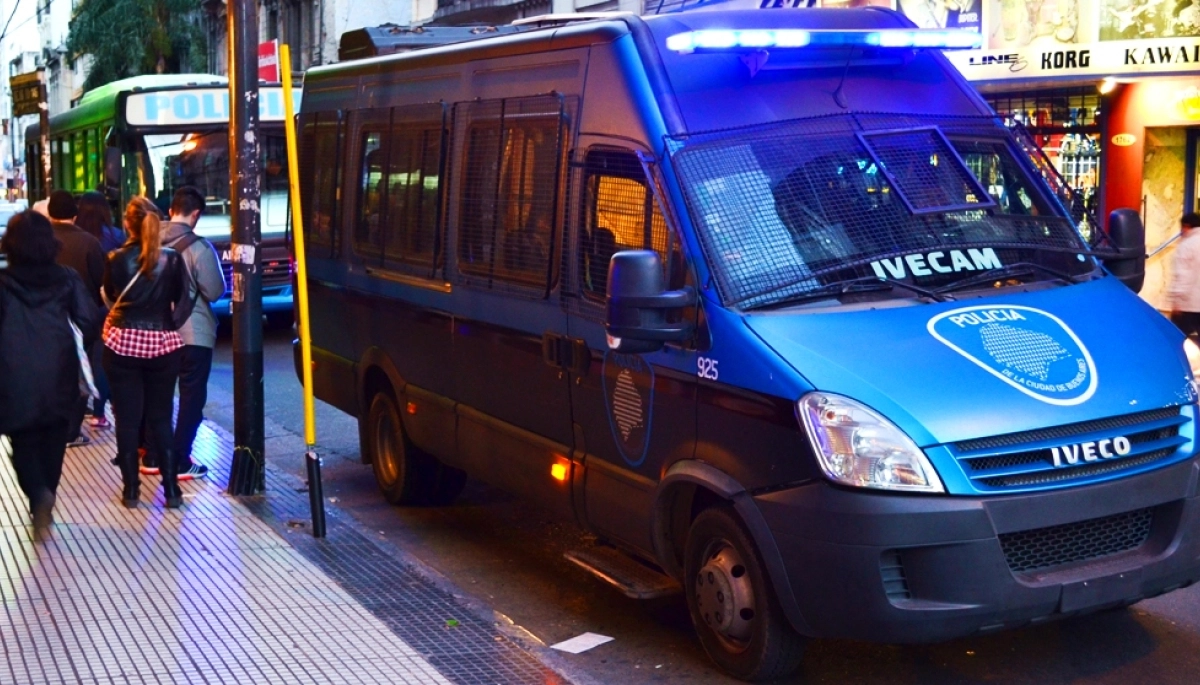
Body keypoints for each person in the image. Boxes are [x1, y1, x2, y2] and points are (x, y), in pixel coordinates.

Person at [0, 210, 102, 535]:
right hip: (60, 367)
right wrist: (73, 345)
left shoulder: (3, 282)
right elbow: (87, 320)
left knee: (24, 440)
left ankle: (38, 497)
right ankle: (47, 498)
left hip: (13, 370)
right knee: (55, 438)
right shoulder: (67, 277)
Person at [102, 196, 187, 508]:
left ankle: (131, 491)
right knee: (162, 418)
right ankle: (172, 491)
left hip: (122, 344)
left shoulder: (115, 258)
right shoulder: (172, 259)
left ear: (128, 224)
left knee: (127, 419)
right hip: (163, 345)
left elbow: (111, 294)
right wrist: (170, 323)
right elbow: (182, 296)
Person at [141, 186, 225, 481]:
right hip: (192, 333)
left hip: (154, 332)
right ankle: (179, 459)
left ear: (172, 208)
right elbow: (214, 291)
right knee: (191, 398)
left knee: (159, 394)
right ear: (196, 214)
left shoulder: (147, 240)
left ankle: (151, 454)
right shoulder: (199, 247)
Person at [47, 189, 106, 447]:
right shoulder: (90, 242)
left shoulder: (42, 240)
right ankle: (71, 430)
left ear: (49, 213)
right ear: (74, 213)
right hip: (82, 319)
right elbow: (101, 282)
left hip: (48, 316)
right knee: (81, 370)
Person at [75, 191, 126, 430]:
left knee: (80, 358)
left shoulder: (75, 237)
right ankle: (100, 411)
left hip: (76, 307)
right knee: (101, 359)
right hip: (105, 306)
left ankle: (82, 407)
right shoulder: (115, 236)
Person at [1168, 212, 1200, 339]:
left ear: (1186, 226)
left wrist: (1177, 301)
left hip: (1189, 304)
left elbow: (1183, 275)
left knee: (1174, 339)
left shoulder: (1186, 245)